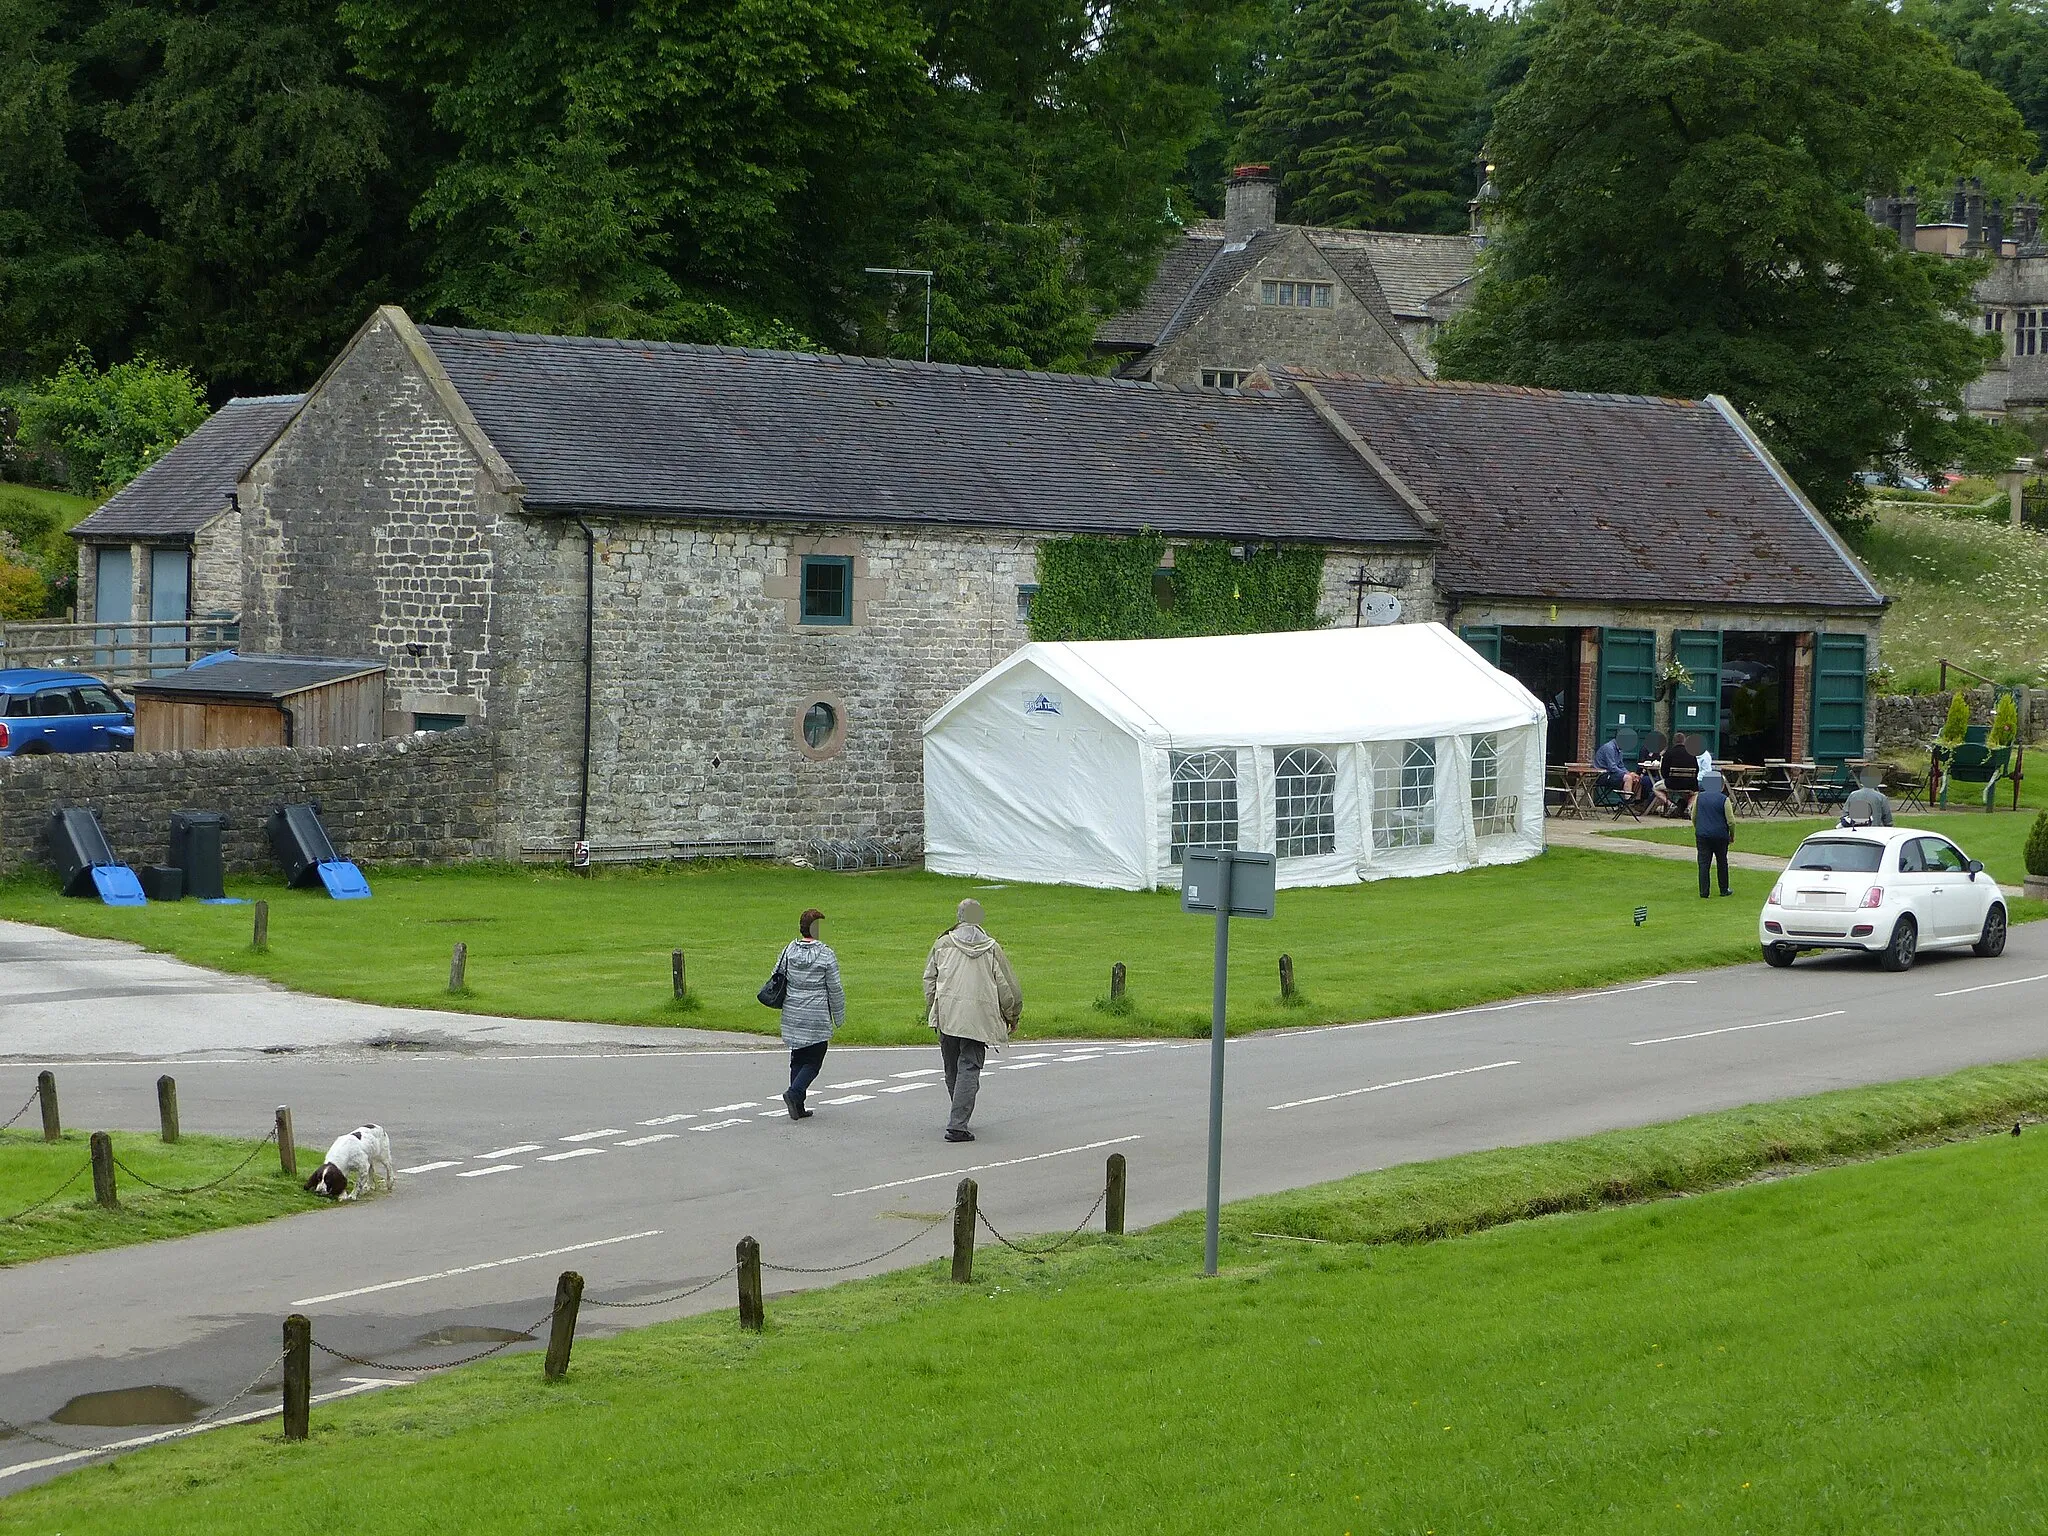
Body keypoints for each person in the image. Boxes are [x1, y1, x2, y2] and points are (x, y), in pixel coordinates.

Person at [922, 897, 1022, 1144]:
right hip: (979, 1018)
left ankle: (958, 1115)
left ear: (958, 917)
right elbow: (1007, 987)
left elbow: (929, 981)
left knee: (952, 1066)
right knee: (970, 1066)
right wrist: (1012, 1014)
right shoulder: (991, 948)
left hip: (948, 1014)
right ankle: (958, 1123)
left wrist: (933, 1009)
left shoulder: (942, 943)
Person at [775, 908, 843, 1120]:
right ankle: (794, 1094)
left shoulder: (788, 951)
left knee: (797, 1057)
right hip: (816, 1014)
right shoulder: (825, 954)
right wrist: (839, 1016)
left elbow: (776, 976)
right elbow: (835, 987)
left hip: (793, 1013)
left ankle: (798, 1105)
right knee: (814, 1060)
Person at [1692, 772, 1734, 899]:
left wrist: (1698, 828)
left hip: (1702, 834)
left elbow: (1694, 816)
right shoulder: (1724, 799)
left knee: (1703, 863)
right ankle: (1724, 889)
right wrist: (1732, 834)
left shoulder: (1699, 798)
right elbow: (1730, 820)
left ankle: (1704, 892)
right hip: (1720, 835)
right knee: (1722, 862)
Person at [1661, 732, 1700, 815]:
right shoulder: (1691, 753)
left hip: (1672, 783)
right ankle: (1689, 808)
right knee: (1696, 792)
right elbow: (1696, 770)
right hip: (1690, 784)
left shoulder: (1668, 753)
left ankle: (1670, 804)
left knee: (1655, 788)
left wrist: (1668, 778)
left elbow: (1663, 772)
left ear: (1673, 742)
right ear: (1684, 741)